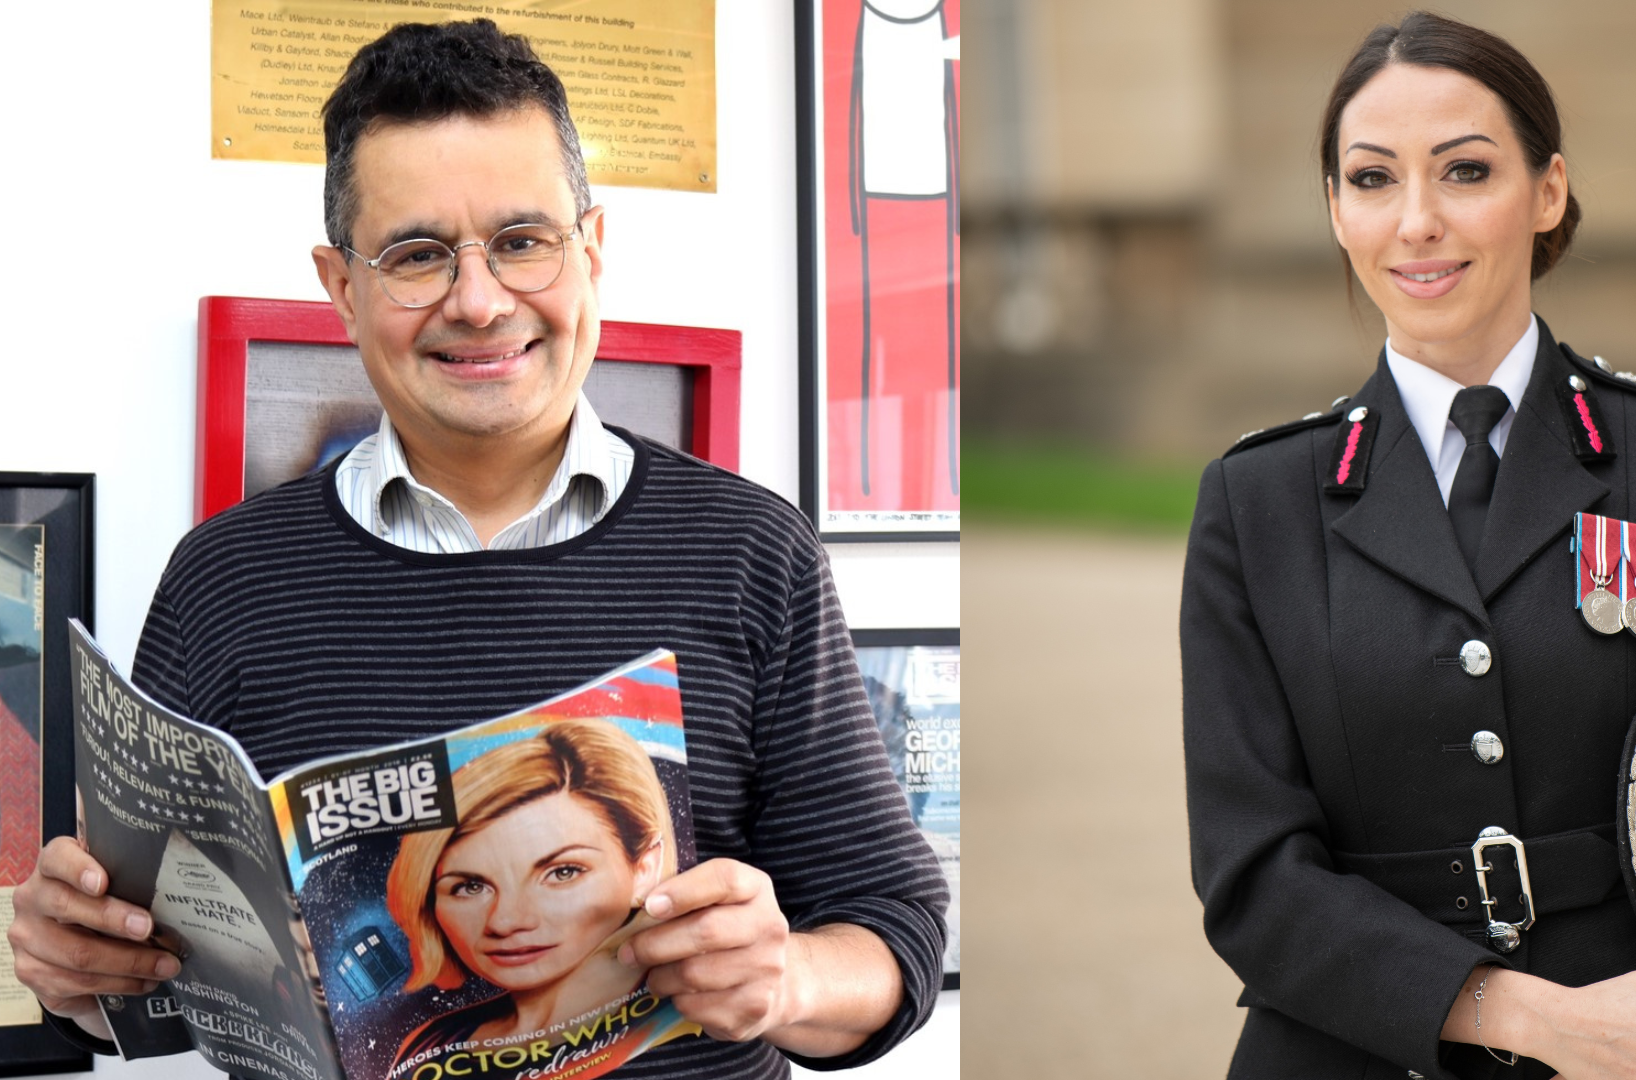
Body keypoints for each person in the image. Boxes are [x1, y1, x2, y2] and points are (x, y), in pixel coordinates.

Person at [7, 20, 946, 1079]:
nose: (482, 299)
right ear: (341, 287)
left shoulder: (749, 550)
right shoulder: (226, 578)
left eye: (522, 240)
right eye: (416, 255)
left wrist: (790, 978)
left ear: (590, 249)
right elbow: (159, 988)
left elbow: (897, 932)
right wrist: (79, 973)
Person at [1181, 12, 1636, 1080]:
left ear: (1549, 190)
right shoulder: (1257, 502)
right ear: (1336, 211)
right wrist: (1540, 1021)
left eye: (1466, 170)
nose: (1418, 222)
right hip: (1352, 1051)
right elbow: (1252, 876)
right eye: (1373, 179)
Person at [386, 720, 689, 1059]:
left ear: (644, 869)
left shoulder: (691, 996)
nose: (504, 921)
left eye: (562, 872)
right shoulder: (433, 1042)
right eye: (470, 886)